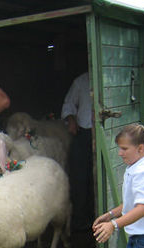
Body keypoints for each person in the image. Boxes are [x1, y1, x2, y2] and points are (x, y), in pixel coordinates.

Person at [61, 71, 94, 232]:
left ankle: (97, 215)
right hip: (84, 133)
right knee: (79, 177)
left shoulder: (110, 77)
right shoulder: (81, 81)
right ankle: (80, 220)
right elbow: (68, 104)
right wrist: (71, 120)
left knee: (96, 179)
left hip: (104, 134)